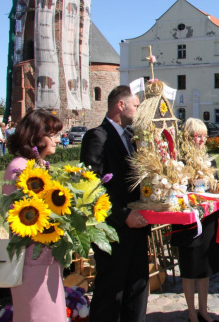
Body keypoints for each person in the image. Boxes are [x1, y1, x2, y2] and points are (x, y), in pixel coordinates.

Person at [80, 85, 150, 322]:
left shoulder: (132, 137)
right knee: (111, 295)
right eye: (136, 105)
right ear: (121, 105)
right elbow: (92, 188)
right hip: (114, 231)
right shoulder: (97, 136)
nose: (138, 110)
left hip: (138, 227)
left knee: (137, 289)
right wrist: (122, 215)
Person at [3, 109, 65, 321]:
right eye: (53, 135)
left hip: (48, 257)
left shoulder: (40, 166)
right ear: (38, 137)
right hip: (30, 262)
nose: (58, 139)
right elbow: (17, 217)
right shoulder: (19, 168)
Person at [177, 118, 219, 322]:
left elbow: (217, 183)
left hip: (208, 218)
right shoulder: (179, 160)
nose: (203, 139)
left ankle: (203, 310)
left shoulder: (208, 158)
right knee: (188, 267)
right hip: (188, 220)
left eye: (205, 135)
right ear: (188, 137)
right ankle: (191, 313)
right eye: (198, 136)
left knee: (205, 266)